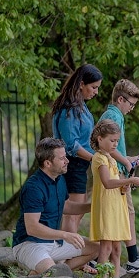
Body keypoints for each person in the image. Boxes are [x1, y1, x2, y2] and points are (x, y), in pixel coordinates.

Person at [99, 79, 139, 273]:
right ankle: (133, 258)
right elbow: (107, 146)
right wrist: (126, 163)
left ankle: (128, 258)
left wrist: (131, 158)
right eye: (131, 104)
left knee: (127, 213)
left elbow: (114, 148)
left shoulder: (115, 115)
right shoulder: (113, 115)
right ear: (120, 99)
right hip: (114, 174)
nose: (132, 108)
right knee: (128, 213)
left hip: (117, 170)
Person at [12, 137, 99, 275]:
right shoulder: (33, 188)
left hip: (54, 242)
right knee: (55, 275)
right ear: (47, 163)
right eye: (62, 158)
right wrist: (65, 235)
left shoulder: (59, 179)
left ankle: (48, 270)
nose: (67, 161)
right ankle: (44, 271)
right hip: (30, 244)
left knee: (96, 248)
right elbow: (32, 228)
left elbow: (67, 206)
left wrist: (93, 207)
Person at [89, 119, 139, 278]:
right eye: (112, 140)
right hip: (107, 208)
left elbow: (115, 183)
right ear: (100, 139)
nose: (115, 144)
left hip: (116, 207)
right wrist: (130, 181)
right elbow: (106, 183)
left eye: (117, 141)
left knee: (117, 249)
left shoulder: (111, 158)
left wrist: (124, 187)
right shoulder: (99, 158)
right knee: (106, 247)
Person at [51, 64, 102, 235]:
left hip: (80, 165)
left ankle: (71, 257)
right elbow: (71, 144)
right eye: (93, 87)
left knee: (78, 213)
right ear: (81, 83)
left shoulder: (81, 106)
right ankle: (69, 259)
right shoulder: (70, 109)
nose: (96, 92)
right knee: (72, 215)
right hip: (72, 164)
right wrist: (93, 158)